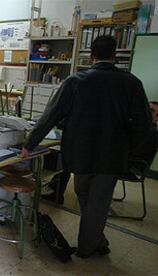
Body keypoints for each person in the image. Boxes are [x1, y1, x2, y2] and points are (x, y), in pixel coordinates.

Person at [22, 36, 152, 258]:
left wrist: (29, 144)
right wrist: (133, 154)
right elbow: (144, 124)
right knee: (97, 201)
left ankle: (86, 248)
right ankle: (96, 239)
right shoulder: (132, 83)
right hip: (112, 155)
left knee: (86, 194)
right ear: (115, 55)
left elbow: (51, 115)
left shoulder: (76, 81)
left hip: (80, 153)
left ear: (91, 55)